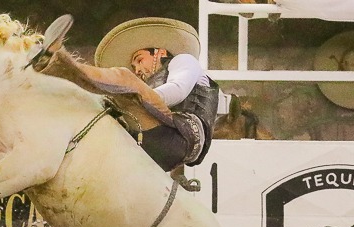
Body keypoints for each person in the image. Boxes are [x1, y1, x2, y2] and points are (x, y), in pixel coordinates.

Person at [30, 15, 220, 173]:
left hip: (183, 137)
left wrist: (134, 92)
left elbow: (178, 90)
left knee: (123, 78)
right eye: (135, 66)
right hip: (159, 142)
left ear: (160, 52)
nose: (137, 69)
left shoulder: (184, 60)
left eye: (139, 60)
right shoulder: (150, 84)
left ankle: (57, 59)